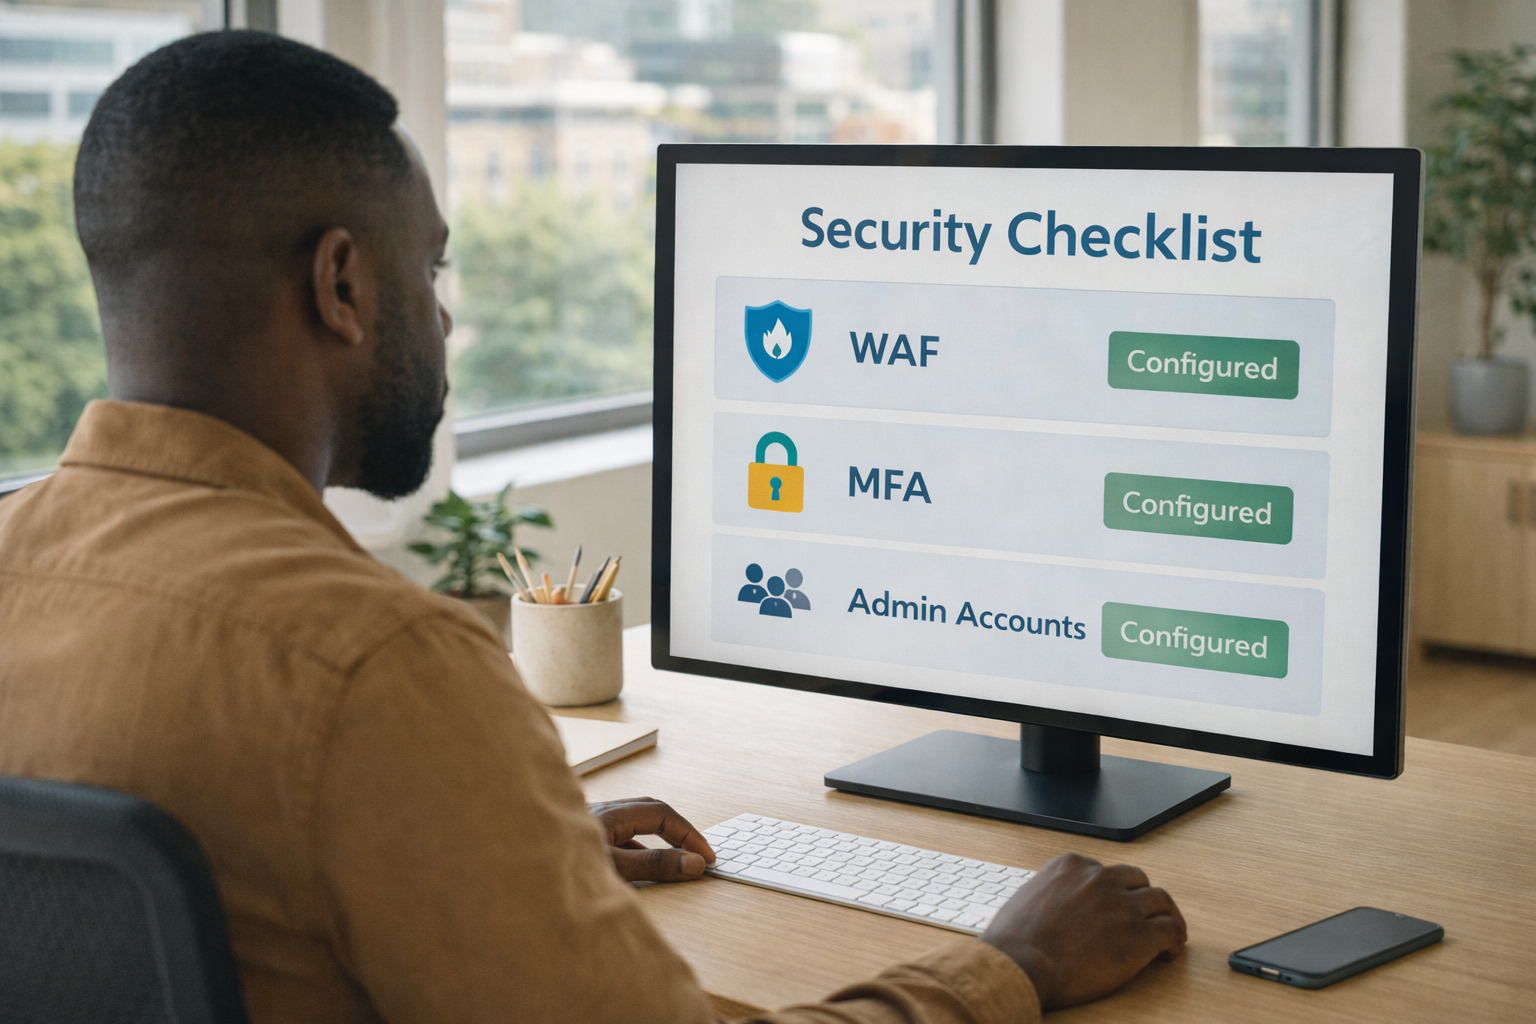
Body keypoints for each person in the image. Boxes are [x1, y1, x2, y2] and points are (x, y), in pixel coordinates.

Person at [0, 31, 1186, 1024]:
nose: (447, 317)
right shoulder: (381, 671)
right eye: (434, 268)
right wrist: (1010, 966)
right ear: (343, 284)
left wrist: (500, 848)